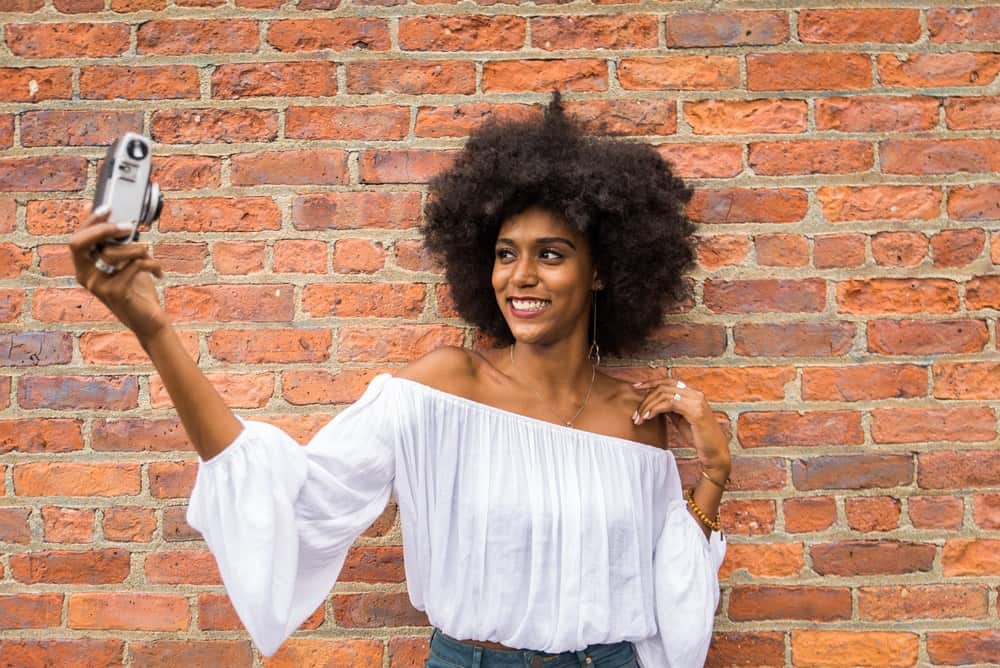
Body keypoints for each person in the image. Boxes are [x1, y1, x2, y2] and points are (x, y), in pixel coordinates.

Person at [68, 93, 730, 668]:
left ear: (602, 271)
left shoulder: (633, 420)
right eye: (504, 254)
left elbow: (663, 595)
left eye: (550, 255)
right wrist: (153, 331)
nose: (519, 276)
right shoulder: (442, 387)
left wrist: (712, 479)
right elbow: (297, 496)